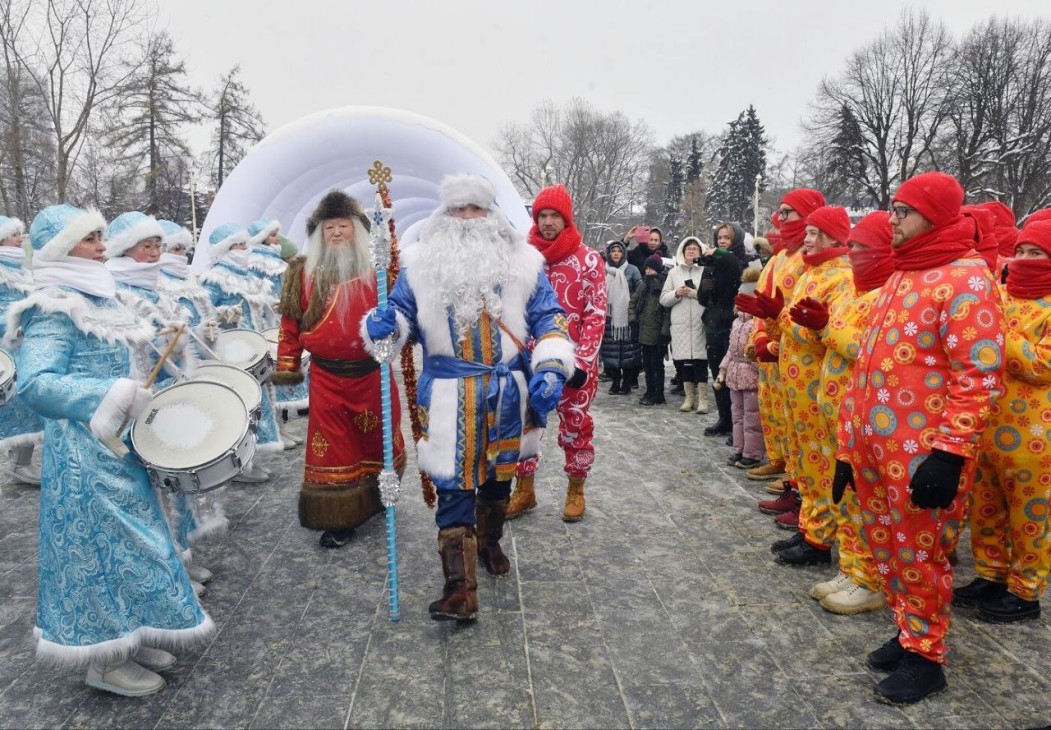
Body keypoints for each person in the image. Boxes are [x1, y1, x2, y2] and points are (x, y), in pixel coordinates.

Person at [8, 204, 214, 697]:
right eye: (91, 239)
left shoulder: (105, 296)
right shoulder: (55, 305)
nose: (103, 247)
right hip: (86, 455)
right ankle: (104, 660)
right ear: (61, 250)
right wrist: (114, 394)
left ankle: (132, 636)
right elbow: (35, 383)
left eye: (103, 237)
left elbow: (137, 355)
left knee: (136, 545)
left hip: (123, 448)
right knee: (100, 553)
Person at [363, 174, 574, 620]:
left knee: (498, 476)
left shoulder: (524, 262)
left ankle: (490, 540)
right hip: (446, 397)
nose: (467, 219)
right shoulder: (419, 265)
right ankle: (458, 588)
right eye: (458, 210)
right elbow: (400, 318)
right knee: (453, 485)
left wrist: (552, 365)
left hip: (506, 392)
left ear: (493, 216)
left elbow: (550, 317)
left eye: (475, 210)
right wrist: (384, 326)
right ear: (443, 217)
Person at [835, 171, 1005, 704]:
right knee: (888, 546)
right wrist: (847, 446)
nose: (892, 219)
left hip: (922, 455)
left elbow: (978, 374)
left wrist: (949, 454)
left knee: (921, 552)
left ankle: (927, 657)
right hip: (875, 446)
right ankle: (910, 631)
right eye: (893, 208)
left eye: (903, 211)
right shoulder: (906, 272)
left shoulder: (967, 279)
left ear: (933, 216)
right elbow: (866, 367)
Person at [271, 190, 406, 548]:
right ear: (318, 233)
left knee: (376, 441)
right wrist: (286, 366)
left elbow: (402, 315)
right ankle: (338, 517)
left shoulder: (379, 271)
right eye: (328, 227)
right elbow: (290, 324)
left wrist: (393, 331)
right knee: (333, 449)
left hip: (372, 375)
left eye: (342, 225)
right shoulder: (301, 273)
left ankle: (377, 500)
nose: (335, 233)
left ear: (356, 229)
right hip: (328, 380)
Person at [793, 212, 895, 616]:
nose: (853, 254)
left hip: (868, 420)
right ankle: (852, 568)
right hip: (841, 416)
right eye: (852, 246)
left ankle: (869, 578)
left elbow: (870, 351)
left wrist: (826, 327)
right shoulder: (856, 291)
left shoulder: (886, 295)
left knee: (865, 500)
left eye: (861, 247)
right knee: (849, 499)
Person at [747, 206, 854, 566]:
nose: (806, 240)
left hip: (816, 387)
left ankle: (820, 537)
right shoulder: (814, 271)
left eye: (813, 233)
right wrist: (772, 319)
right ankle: (811, 525)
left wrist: (782, 318)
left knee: (820, 461)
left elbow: (825, 335)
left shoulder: (841, 277)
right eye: (806, 233)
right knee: (804, 459)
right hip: (794, 384)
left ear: (833, 236)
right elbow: (793, 322)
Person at [956, 220, 1051, 623]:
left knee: (1030, 514)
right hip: (986, 424)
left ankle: (1025, 591)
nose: (1025, 260)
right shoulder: (1003, 296)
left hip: (1035, 436)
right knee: (986, 507)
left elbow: (1042, 364)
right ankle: (991, 574)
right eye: (1023, 251)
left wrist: (995, 335)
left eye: (1038, 254)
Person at [508, 184, 606, 523]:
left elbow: (596, 313)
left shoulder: (588, 259)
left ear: (567, 219)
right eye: (542, 215)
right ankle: (525, 489)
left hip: (574, 365)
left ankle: (575, 490)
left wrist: (582, 361)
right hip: (532, 361)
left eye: (555, 216)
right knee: (526, 425)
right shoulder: (525, 258)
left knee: (575, 427)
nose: (548, 222)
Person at [739, 190, 827, 505]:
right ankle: (780, 459)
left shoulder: (810, 260)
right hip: (776, 349)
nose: (780, 217)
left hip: (799, 350)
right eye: (781, 211)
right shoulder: (779, 258)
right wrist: (759, 338)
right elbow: (763, 303)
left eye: (788, 212)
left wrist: (776, 341)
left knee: (803, 420)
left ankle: (798, 477)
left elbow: (803, 309)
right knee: (776, 409)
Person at [199, 223, 283, 479]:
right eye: (239, 245)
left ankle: (250, 456)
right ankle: (237, 463)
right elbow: (205, 313)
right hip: (232, 353)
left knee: (258, 402)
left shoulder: (246, 275)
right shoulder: (214, 277)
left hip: (253, 351)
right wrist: (222, 315)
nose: (245, 250)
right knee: (240, 404)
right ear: (225, 248)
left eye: (246, 244)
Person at [0, 216, 44, 485]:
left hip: (25, 348)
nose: (20, 238)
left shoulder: (23, 271)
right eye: (14, 234)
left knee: (27, 407)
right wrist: (12, 326)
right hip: (5, 351)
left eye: (20, 233)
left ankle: (20, 462)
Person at [698, 223, 747, 434]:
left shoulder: (742, 260)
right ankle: (724, 418)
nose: (723, 241)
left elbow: (733, 266)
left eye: (727, 238)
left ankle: (738, 423)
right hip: (713, 324)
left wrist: (717, 254)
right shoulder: (712, 264)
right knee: (717, 373)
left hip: (732, 325)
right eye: (719, 238)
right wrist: (706, 286)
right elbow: (702, 298)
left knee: (734, 376)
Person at [716, 265, 763, 468]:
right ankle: (739, 448)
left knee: (752, 418)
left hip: (751, 376)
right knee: (737, 414)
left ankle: (752, 453)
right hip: (735, 375)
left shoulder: (757, 323)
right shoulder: (737, 323)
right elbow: (731, 350)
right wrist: (723, 370)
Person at [660, 236, 708, 414]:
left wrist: (695, 293)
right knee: (685, 363)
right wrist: (677, 293)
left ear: (700, 251)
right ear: (682, 251)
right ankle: (689, 398)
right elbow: (664, 299)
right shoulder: (674, 273)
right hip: (680, 324)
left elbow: (710, 297)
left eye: (695, 248)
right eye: (688, 248)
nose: (692, 251)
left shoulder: (706, 270)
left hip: (699, 321)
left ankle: (703, 399)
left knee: (701, 361)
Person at [600, 240, 642, 395]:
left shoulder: (632, 270)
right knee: (612, 353)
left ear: (624, 253)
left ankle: (626, 383)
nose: (616, 253)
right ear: (609, 254)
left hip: (627, 318)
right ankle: (615, 381)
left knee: (628, 353)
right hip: (609, 318)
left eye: (619, 250)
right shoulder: (604, 271)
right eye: (613, 251)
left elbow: (640, 291)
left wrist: (632, 308)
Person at [631, 254, 671, 406]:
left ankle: (658, 392)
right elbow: (633, 302)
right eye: (647, 268)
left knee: (657, 365)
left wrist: (664, 334)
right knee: (647, 364)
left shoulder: (662, 285)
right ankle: (650, 390)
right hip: (644, 330)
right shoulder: (643, 285)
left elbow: (667, 312)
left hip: (657, 332)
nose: (648, 271)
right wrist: (633, 321)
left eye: (652, 269)